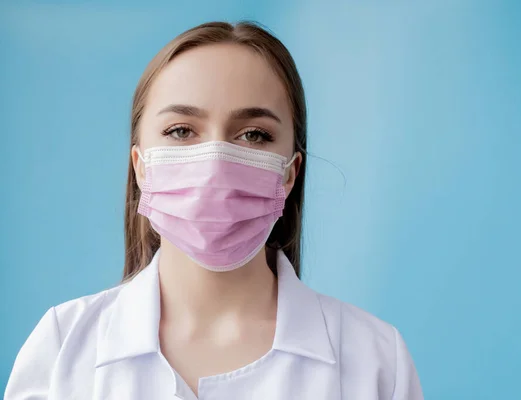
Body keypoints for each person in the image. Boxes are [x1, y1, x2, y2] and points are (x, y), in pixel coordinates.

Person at [5, 21, 423, 400]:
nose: (215, 162)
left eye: (254, 135)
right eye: (181, 131)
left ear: (290, 173)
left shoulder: (376, 362)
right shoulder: (64, 348)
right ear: (140, 165)